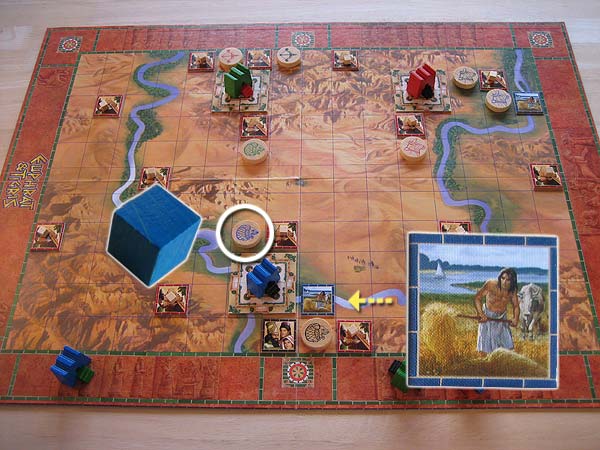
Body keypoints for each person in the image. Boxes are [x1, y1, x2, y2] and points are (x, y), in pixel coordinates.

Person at [474, 268, 520, 354]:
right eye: (503, 278)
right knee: (485, 349)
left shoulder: (512, 291)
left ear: (512, 281)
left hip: (502, 318)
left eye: (508, 280)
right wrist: (481, 314)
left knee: (507, 349)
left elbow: (516, 306)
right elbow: (478, 298)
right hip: (487, 317)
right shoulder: (491, 284)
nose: (504, 282)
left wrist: (516, 318)